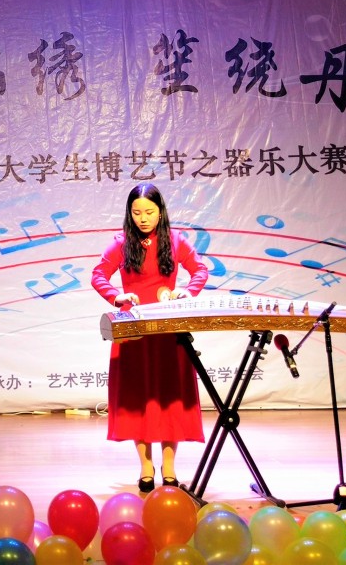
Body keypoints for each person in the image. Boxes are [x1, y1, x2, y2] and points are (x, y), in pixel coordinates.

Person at [91, 182, 209, 492]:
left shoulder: (175, 240)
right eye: (137, 212)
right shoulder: (121, 243)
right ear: (129, 213)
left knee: (169, 396)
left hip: (168, 328)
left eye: (149, 212)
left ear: (160, 212)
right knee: (138, 397)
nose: (143, 218)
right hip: (134, 330)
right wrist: (116, 296)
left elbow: (200, 270)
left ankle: (169, 467)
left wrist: (189, 291)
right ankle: (146, 467)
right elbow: (98, 274)